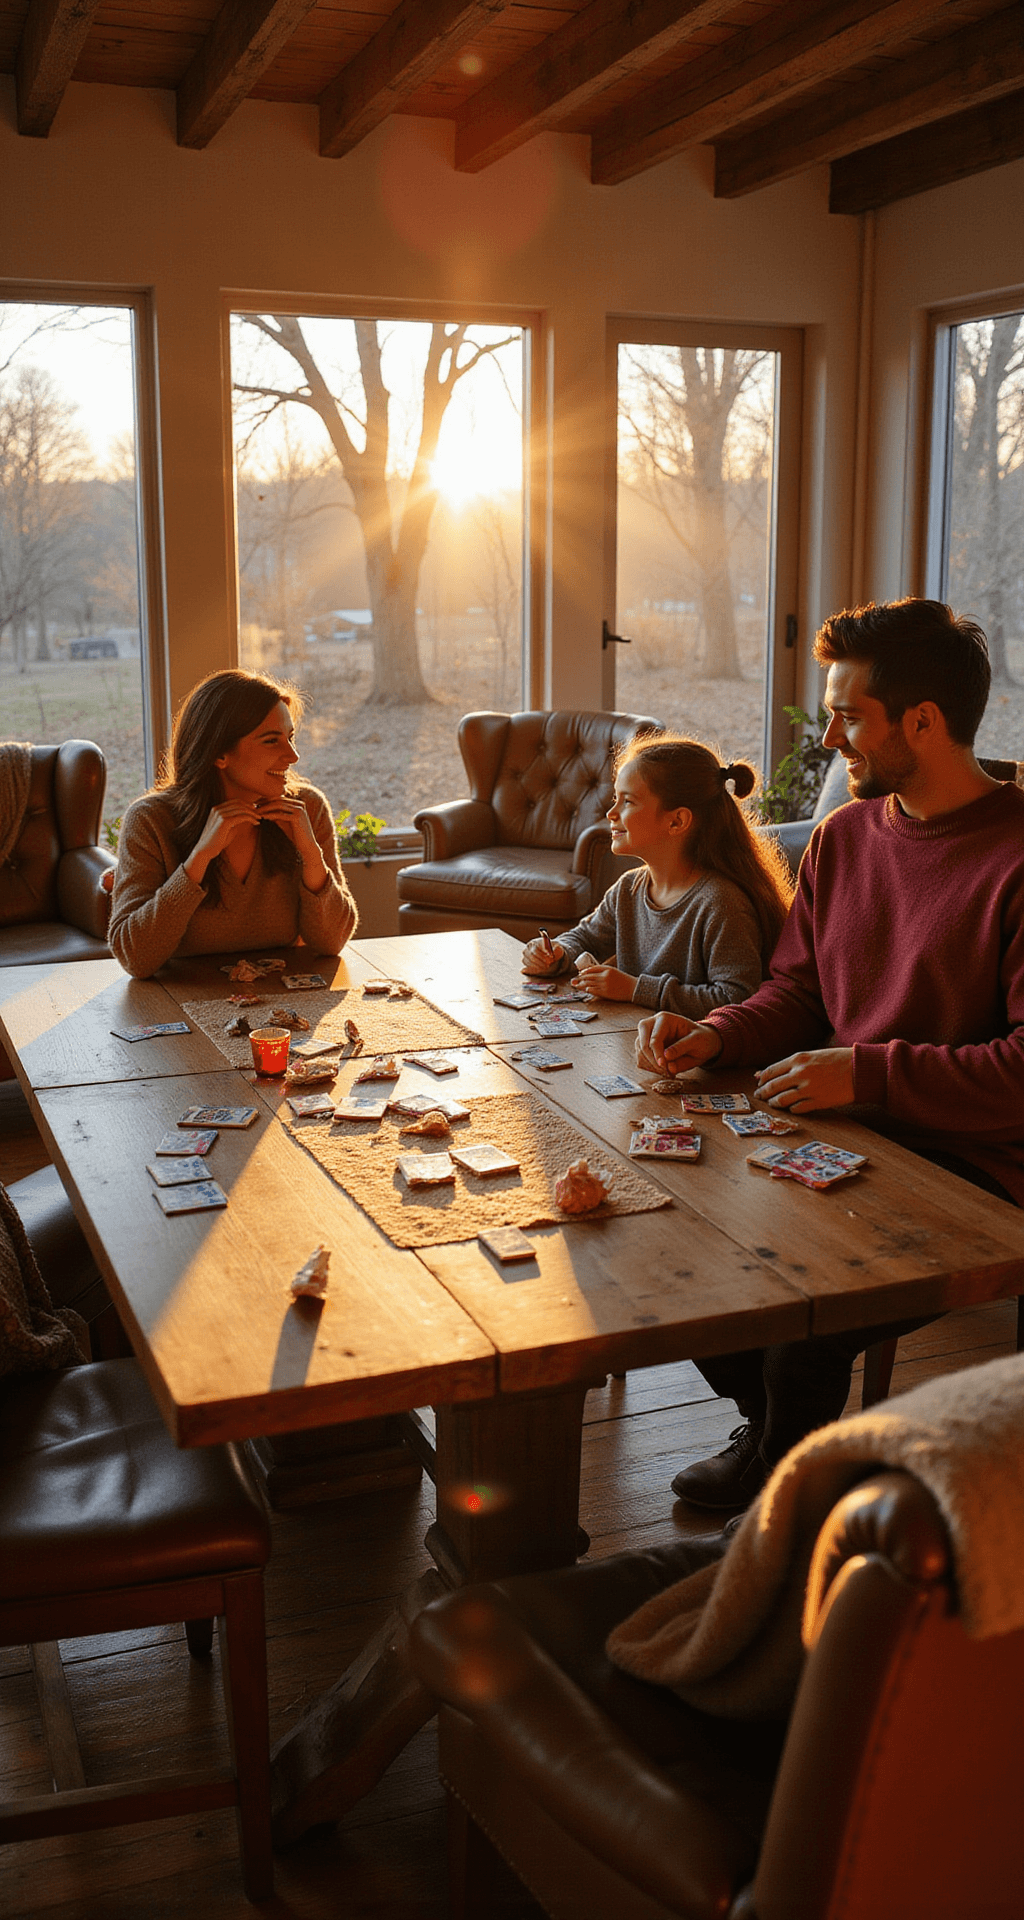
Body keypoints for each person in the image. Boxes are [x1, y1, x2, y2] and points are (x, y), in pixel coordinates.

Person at [634, 598, 1024, 1511]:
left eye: (849, 717)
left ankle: (787, 1507)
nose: (831, 739)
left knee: (805, 1314)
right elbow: (799, 991)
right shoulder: (844, 838)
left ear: (923, 722)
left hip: (979, 1165)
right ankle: (778, 1436)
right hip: (848, 1123)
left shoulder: (1016, 855)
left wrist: (868, 1071)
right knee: (676, 1232)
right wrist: (718, 1032)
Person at [108, 669, 357, 978]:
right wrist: (199, 859)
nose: (292, 756)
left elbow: (331, 943)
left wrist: (310, 854)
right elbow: (135, 958)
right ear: (219, 753)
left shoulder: (308, 808)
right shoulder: (150, 820)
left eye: (290, 738)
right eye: (271, 741)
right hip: (179, 1001)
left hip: (282, 1001)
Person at [521, 734, 793, 1015]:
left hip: (694, 1055)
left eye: (628, 802)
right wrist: (555, 953)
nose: (611, 812)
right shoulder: (628, 888)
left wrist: (634, 989)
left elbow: (735, 998)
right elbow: (584, 938)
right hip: (636, 1041)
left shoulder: (721, 903)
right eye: (616, 798)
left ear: (677, 821)